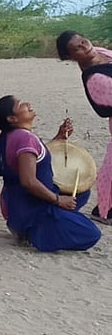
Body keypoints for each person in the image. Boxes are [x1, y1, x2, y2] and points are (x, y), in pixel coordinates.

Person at [0, 95, 100, 251]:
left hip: (16, 205)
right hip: (31, 209)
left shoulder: (10, 135)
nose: (27, 104)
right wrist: (58, 200)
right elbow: (28, 181)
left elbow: (33, 159)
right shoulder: (25, 139)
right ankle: (34, 232)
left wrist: (59, 137)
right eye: (21, 105)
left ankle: (46, 223)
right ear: (12, 118)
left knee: (81, 193)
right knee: (92, 234)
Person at [56, 30, 112, 225]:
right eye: (76, 48)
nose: (83, 46)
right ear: (70, 57)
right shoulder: (94, 78)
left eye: (82, 41)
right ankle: (105, 209)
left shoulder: (101, 52)